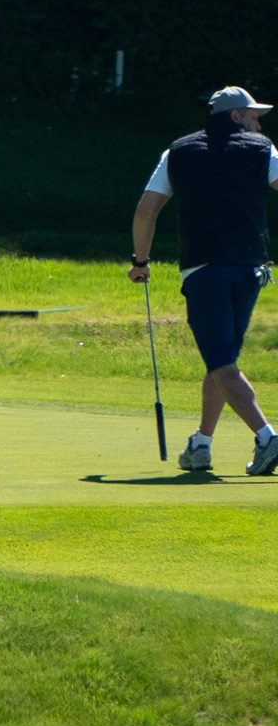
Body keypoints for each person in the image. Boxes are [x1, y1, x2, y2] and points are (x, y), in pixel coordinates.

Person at [131, 86, 278, 477]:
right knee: (222, 359)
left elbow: (146, 211)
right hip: (249, 268)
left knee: (222, 361)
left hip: (203, 271)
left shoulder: (178, 152)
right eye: (253, 116)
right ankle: (201, 444)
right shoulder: (264, 149)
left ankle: (268, 437)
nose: (257, 124)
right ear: (234, 116)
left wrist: (140, 262)